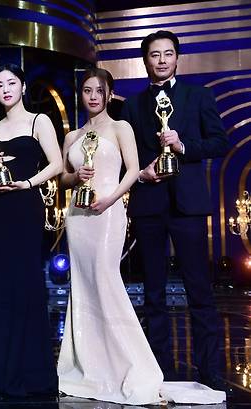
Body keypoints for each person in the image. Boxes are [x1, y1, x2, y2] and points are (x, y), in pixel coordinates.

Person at [57, 68, 225, 405]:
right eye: (87, 90)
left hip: (108, 212)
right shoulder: (72, 137)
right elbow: (62, 179)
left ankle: (132, 363)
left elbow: (133, 170)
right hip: (78, 216)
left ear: (108, 94)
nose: (92, 96)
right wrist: (76, 176)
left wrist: (112, 198)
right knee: (85, 286)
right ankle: (93, 365)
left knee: (107, 281)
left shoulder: (121, 127)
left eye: (99, 90)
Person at [120, 30, 229, 390]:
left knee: (199, 290)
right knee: (152, 293)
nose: (162, 60)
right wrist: (141, 172)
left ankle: (210, 371)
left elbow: (219, 141)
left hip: (188, 206)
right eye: (155, 55)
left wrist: (183, 145)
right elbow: (127, 157)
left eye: (168, 54)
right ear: (145, 60)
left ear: (177, 58)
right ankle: (158, 370)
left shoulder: (199, 96)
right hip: (149, 204)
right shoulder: (132, 106)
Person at [0, 64, 62, 397]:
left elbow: (56, 163)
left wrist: (28, 182)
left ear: (23, 86)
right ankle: (3, 373)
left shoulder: (40, 121)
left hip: (26, 206)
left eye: (11, 83)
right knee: (1, 287)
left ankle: (34, 373)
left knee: (27, 285)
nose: (6, 89)